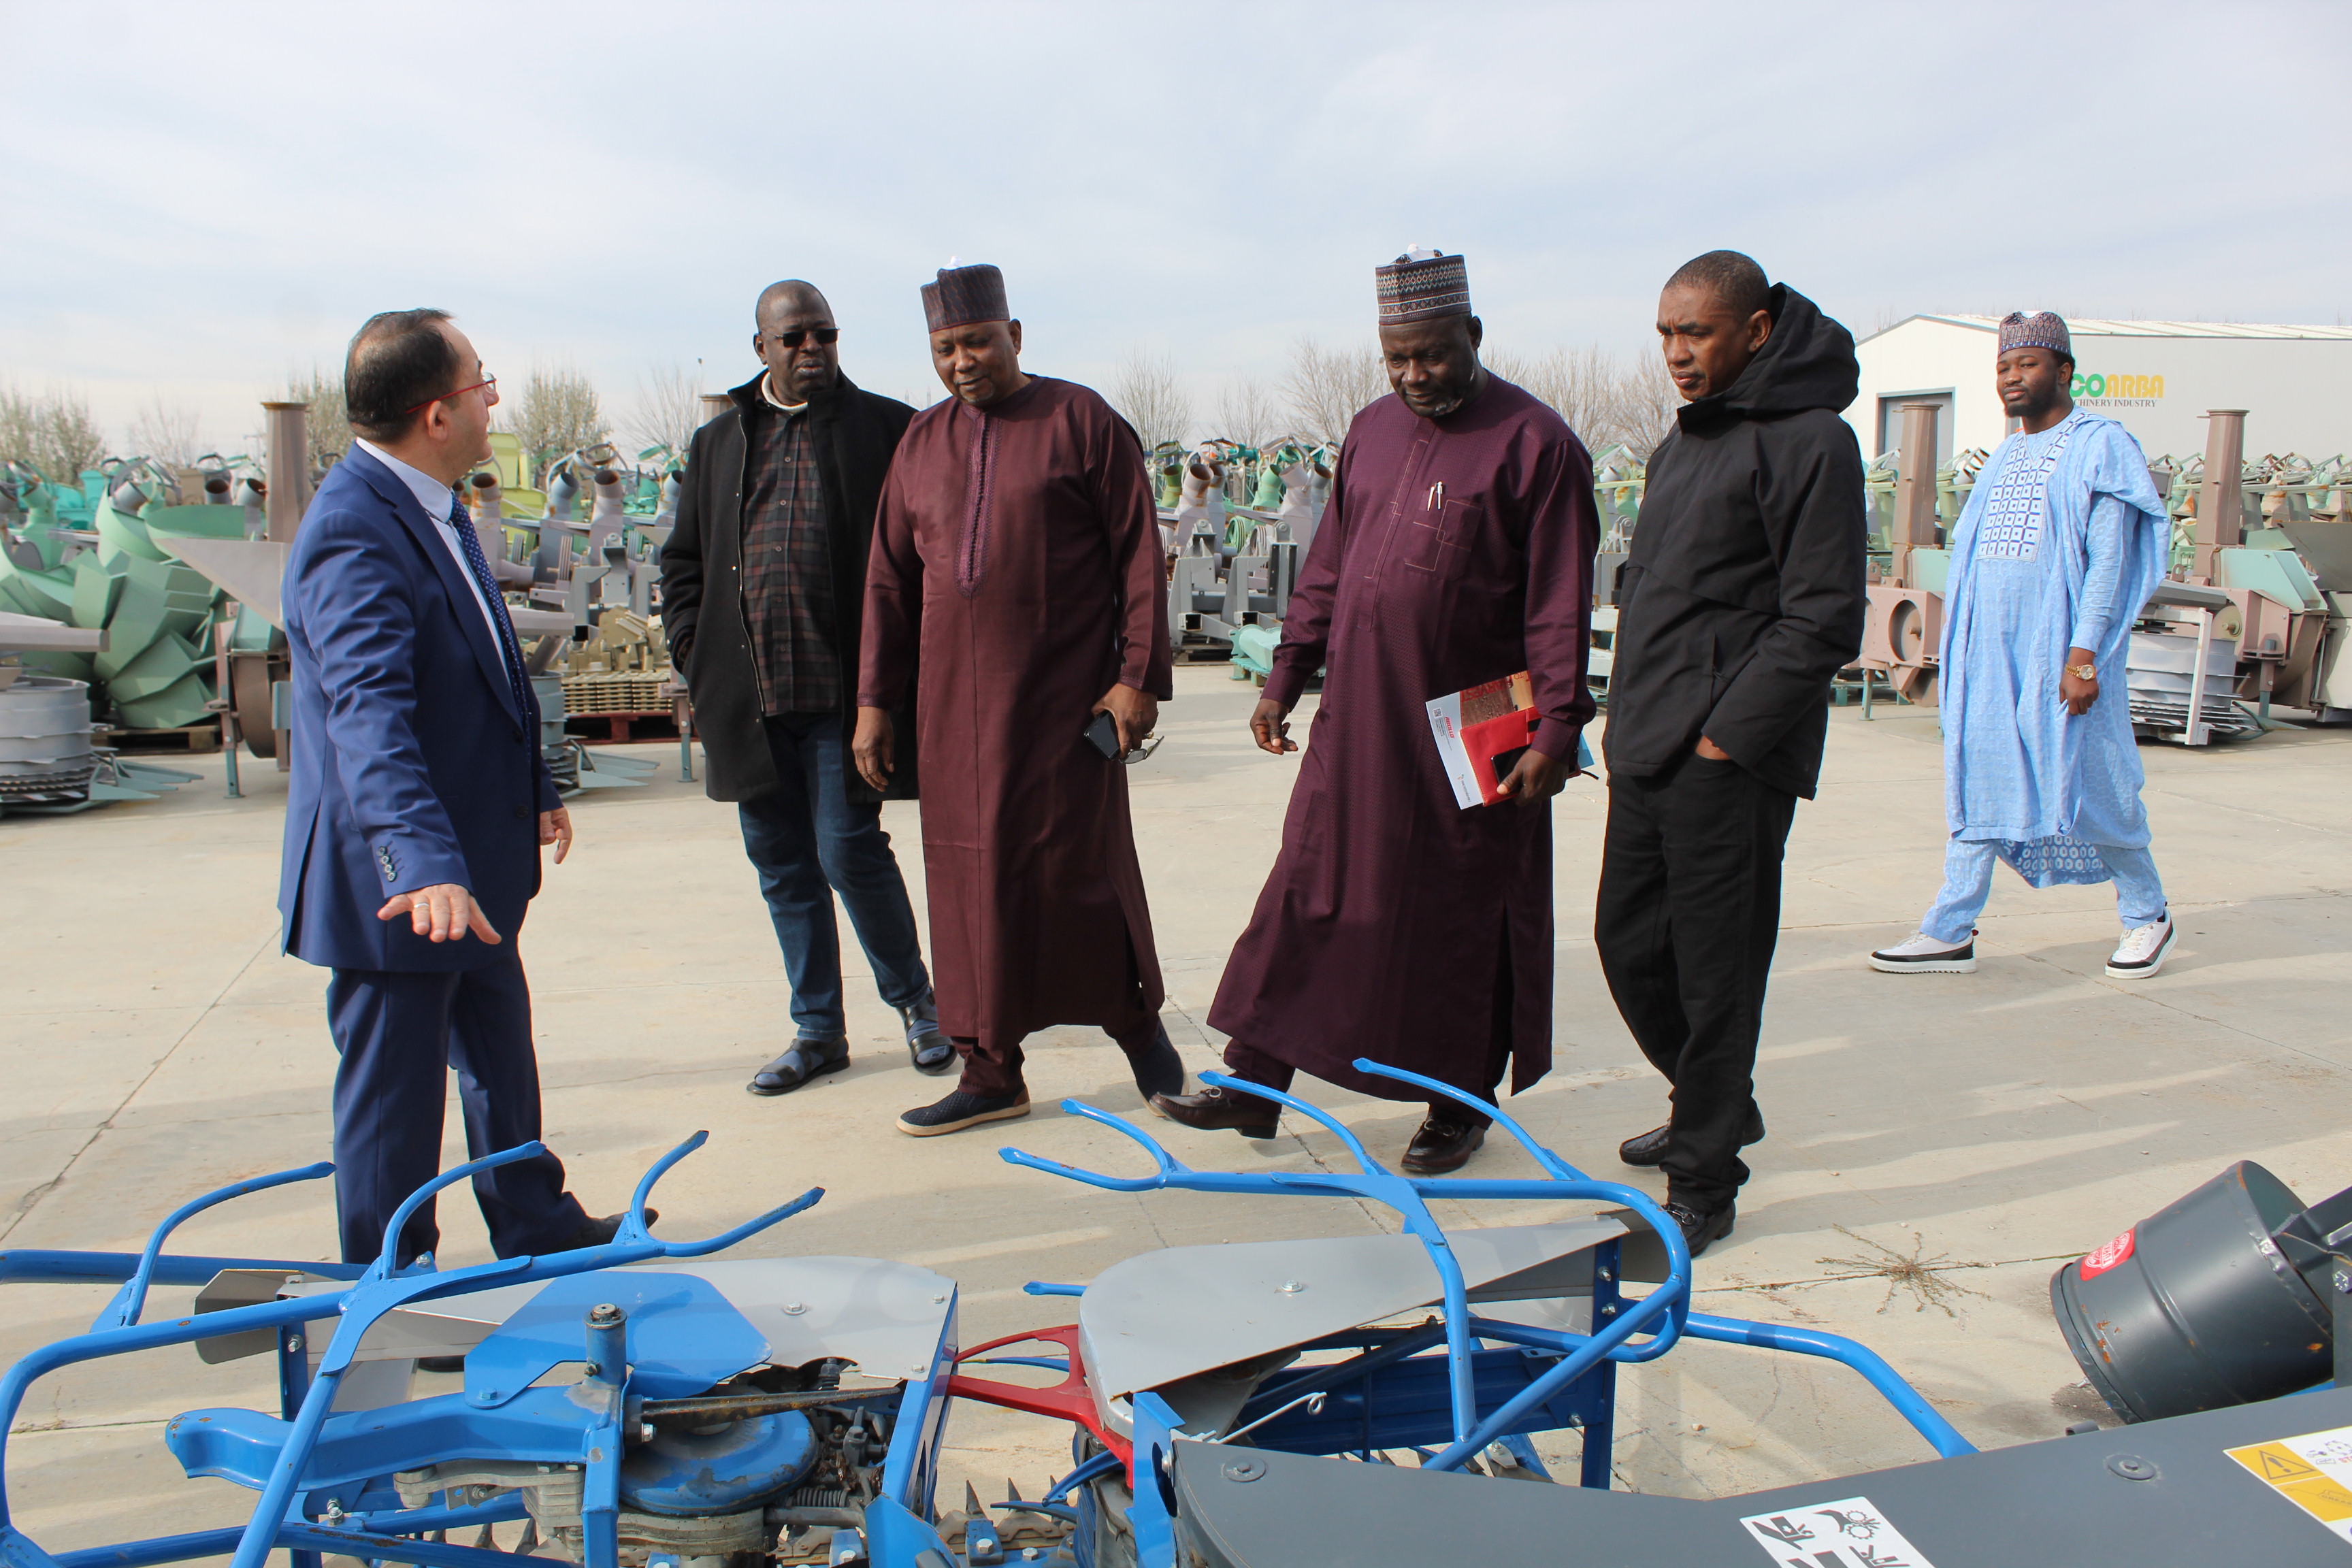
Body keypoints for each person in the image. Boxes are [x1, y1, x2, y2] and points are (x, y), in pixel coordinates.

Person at [1154, 248, 1598, 1175]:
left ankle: (1457, 1103)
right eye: (1397, 357)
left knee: (1460, 913)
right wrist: (1285, 676)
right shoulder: (1368, 431)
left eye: (1433, 354)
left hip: (1480, 719)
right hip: (1358, 711)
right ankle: (1254, 1082)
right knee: (1309, 885)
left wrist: (1558, 729)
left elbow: (1557, 602)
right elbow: (1327, 571)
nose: (1413, 375)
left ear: (1472, 337)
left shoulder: (1538, 445)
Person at [279, 309, 634, 1267]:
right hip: (398, 881)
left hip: (469, 862)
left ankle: (533, 1225)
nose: (492, 397)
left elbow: (489, 667)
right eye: (481, 381)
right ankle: (390, 1285)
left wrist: (535, 784)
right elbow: (369, 713)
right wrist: (426, 864)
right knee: (397, 1099)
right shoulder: (356, 527)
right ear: (437, 413)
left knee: (498, 1061)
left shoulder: (429, 503)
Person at [854, 263, 1184, 1136]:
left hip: (1064, 710)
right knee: (969, 888)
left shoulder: (1081, 421)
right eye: (944, 347)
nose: (962, 361)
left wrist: (1137, 677)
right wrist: (874, 703)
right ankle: (990, 1069)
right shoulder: (920, 443)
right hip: (952, 719)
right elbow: (888, 581)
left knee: (1082, 874)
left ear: (1016, 336)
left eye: (976, 341)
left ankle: (1144, 1040)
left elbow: (1138, 559)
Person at [1595, 252, 1867, 1255]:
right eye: (1666, 333)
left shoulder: (1812, 443)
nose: (1676, 353)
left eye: (1696, 333)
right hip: (1648, 746)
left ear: (1756, 330)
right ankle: (1715, 1100)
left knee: (1718, 977)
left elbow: (1823, 618)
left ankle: (1705, 1178)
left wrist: (1725, 740)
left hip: (1727, 759)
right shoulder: (1685, 440)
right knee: (1627, 947)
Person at [661, 280, 949, 1096]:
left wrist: (895, 687)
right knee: (783, 864)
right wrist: (697, 653)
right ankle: (818, 1030)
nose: (811, 349)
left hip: (845, 699)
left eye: (823, 334)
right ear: (761, 350)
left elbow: (922, 554)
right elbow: (682, 563)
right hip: (751, 703)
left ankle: (919, 1006)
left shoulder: (887, 428)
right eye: (792, 339)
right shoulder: (718, 443)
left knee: (850, 850)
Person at [1869, 312, 2174, 981]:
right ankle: (1950, 929)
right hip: (1989, 658)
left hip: (2062, 655)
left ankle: (2146, 913)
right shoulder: (2004, 456)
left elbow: (2109, 562)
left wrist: (2083, 654)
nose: (2012, 378)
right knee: (1977, 782)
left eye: (2028, 365)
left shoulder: (2102, 446)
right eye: (2005, 367)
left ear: (2064, 372)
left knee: (2092, 785)